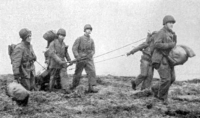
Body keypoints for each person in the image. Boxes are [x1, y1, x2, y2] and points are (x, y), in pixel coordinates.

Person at [151, 15, 177, 105]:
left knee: (172, 78)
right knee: (166, 79)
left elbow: (173, 45)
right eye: (170, 23)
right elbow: (156, 44)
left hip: (168, 59)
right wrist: (169, 45)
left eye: (172, 23)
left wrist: (174, 41)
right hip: (160, 59)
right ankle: (161, 98)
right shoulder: (161, 32)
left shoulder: (171, 34)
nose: (171, 24)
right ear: (165, 23)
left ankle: (155, 88)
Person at [70, 24, 98, 93]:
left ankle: (91, 87)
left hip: (89, 59)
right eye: (87, 29)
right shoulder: (79, 39)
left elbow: (93, 50)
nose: (89, 31)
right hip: (80, 59)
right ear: (84, 30)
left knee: (92, 71)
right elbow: (74, 49)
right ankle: (74, 86)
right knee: (78, 73)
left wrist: (91, 54)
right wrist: (77, 56)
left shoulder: (91, 40)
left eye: (90, 29)